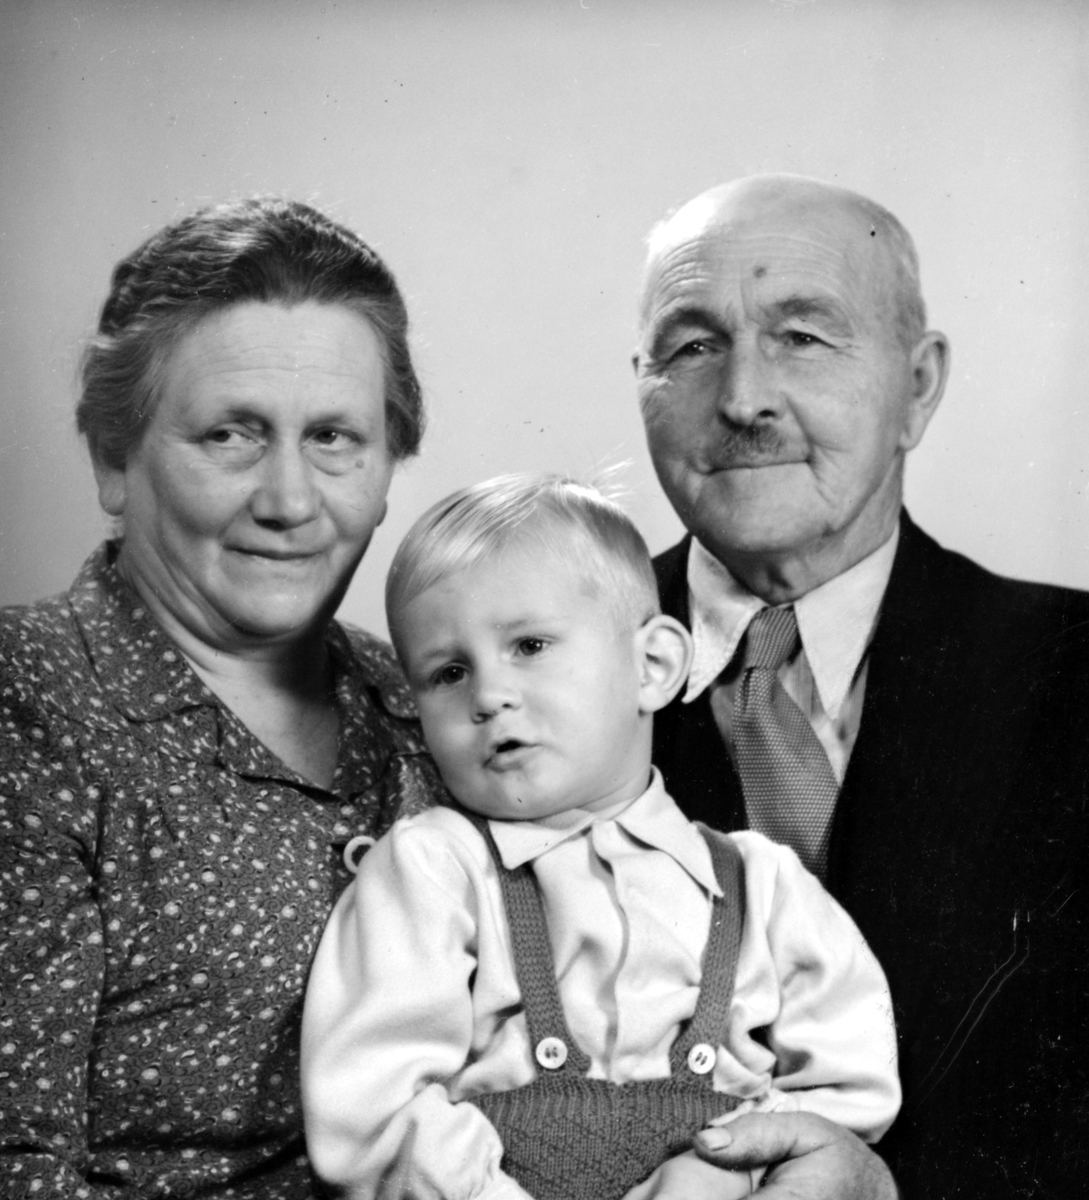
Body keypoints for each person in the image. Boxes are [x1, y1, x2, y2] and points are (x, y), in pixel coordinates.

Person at [634, 174, 1089, 1197]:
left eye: (802, 337)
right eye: (692, 345)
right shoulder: (521, 674)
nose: (742, 399)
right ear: (641, 382)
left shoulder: (1074, 670)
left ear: (917, 386)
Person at [0, 198, 446, 1198]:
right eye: (230, 435)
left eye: (334, 437)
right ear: (113, 458)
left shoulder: (426, 699)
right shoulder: (28, 701)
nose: (289, 501)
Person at [300, 474, 901, 1200]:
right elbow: (370, 1110)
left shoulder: (764, 886)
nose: (488, 695)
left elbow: (852, 1088)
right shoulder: (431, 869)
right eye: (449, 672)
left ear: (652, 667)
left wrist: (736, 1161)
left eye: (529, 645)